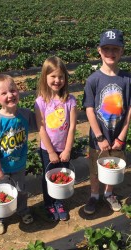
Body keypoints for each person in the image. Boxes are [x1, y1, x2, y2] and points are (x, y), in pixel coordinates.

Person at [83, 29, 131, 215]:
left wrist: (122, 135)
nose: (111, 53)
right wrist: (99, 136)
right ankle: (94, 195)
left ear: (122, 51)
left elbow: (129, 108)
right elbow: (89, 109)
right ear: (99, 51)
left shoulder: (127, 79)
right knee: (95, 168)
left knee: (113, 167)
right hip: (98, 135)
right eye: (106, 49)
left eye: (115, 49)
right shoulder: (93, 80)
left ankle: (109, 193)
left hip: (118, 134)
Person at [0, 74, 34, 234]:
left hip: (19, 164)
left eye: (12, 90)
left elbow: (41, 121)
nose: (10, 95)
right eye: (4, 93)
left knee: (20, 190)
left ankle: (22, 210)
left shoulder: (25, 114)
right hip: (0, 167)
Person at [35, 56, 77, 221]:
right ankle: (49, 204)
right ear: (45, 77)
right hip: (48, 149)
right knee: (49, 177)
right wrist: (51, 151)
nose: (57, 80)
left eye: (61, 76)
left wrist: (67, 149)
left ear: (65, 78)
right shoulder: (41, 101)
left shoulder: (70, 100)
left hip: (64, 147)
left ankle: (59, 202)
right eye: (53, 76)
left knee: (62, 176)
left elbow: (72, 126)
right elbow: (41, 128)